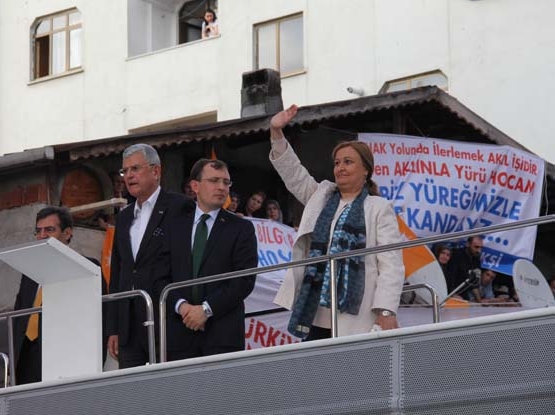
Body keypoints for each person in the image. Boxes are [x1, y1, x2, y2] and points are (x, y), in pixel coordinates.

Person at [269, 104, 405, 339]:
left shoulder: (379, 208)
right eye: (337, 162)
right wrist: (275, 132)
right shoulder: (320, 196)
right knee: (318, 374)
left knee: (351, 373)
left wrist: (386, 309)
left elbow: (391, 265)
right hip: (314, 310)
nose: (340, 168)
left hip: (356, 314)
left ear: (366, 170)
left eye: (348, 162)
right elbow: (293, 173)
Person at [107, 143, 190, 368]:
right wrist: (113, 328)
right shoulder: (124, 217)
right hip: (128, 325)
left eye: (135, 169)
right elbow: (118, 272)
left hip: (165, 319)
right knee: (133, 397)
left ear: (156, 171)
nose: (129, 176)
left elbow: (184, 264)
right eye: (125, 171)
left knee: (168, 392)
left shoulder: (179, 207)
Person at [165, 159, 257, 360]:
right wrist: (182, 307)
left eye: (226, 182)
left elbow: (244, 280)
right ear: (195, 186)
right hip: (179, 334)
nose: (221, 187)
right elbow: (161, 274)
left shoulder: (241, 228)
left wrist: (206, 310)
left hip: (222, 335)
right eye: (214, 180)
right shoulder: (174, 226)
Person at [13, 206, 108, 384]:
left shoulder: (87, 267)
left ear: (67, 233)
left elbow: (102, 315)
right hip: (25, 355)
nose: (42, 235)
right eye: (38, 231)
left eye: (49, 230)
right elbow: (18, 315)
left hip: (64, 354)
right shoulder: (29, 271)